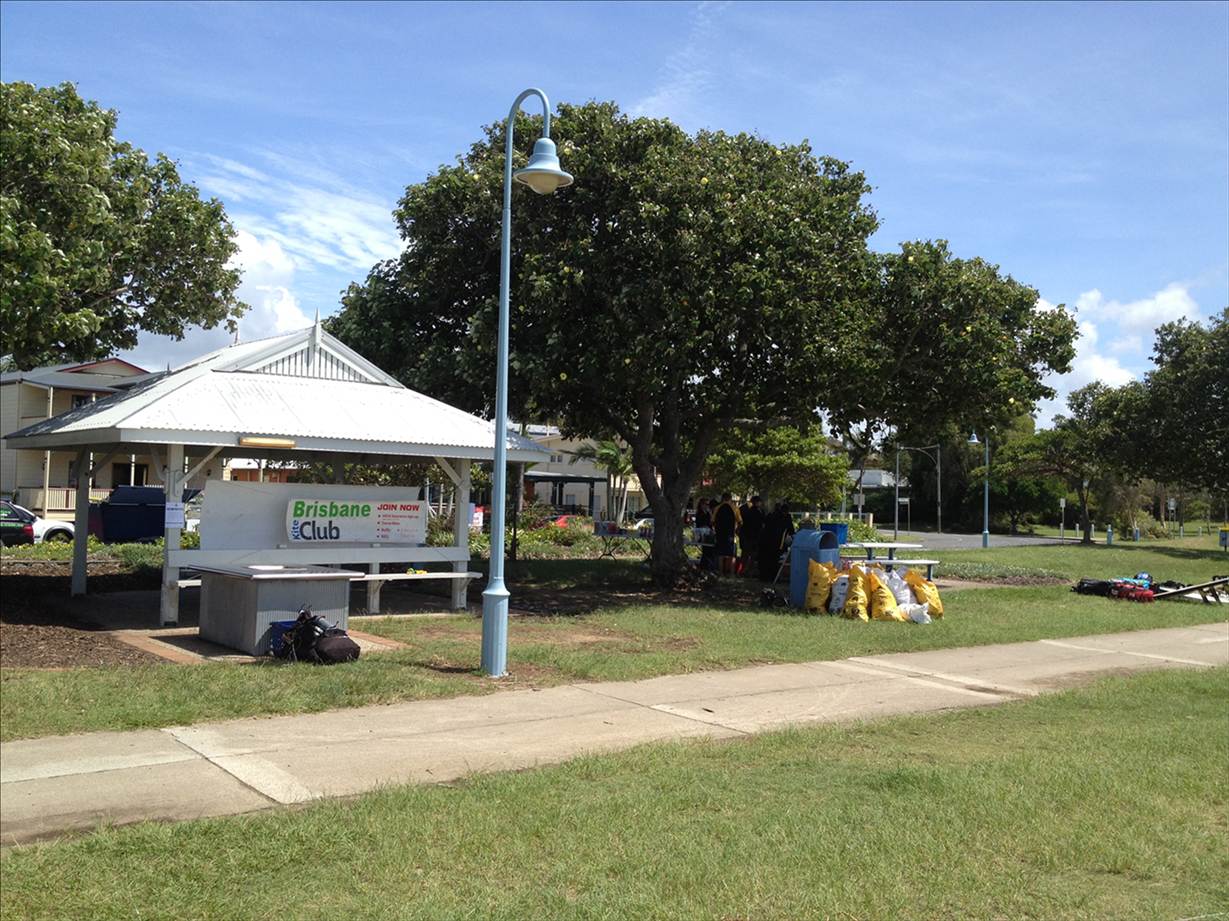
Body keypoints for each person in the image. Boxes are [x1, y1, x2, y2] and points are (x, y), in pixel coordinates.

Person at [758, 501, 795, 583]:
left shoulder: (771, 515)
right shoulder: (786, 518)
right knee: (774, 560)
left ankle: (764, 576)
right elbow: (791, 530)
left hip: (765, 541)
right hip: (777, 542)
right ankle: (773, 577)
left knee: (765, 559)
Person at [713, 492, 742, 576]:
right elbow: (740, 522)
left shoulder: (717, 508)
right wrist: (737, 531)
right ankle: (731, 573)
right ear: (730, 499)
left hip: (720, 535)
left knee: (721, 555)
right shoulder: (735, 508)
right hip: (731, 535)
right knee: (732, 555)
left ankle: (721, 572)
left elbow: (712, 521)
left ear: (722, 498)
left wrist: (716, 530)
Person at [738, 495, 765, 577]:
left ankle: (743, 570)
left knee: (746, 554)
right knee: (751, 554)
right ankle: (747, 571)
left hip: (748, 535)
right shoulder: (756, 512)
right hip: (753, 536)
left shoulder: (749, 511)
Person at [693, 498, 715, 570]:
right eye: (705, 504)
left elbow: (711, 522)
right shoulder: (699, 513)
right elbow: (699, 523)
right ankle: (704, 565)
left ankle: (707, 565)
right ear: (701, 504)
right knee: (706, 549)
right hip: (702, 532)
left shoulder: (708, 513)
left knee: (709, 550)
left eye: (708, 504)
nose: (707, 506)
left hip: (708, 532)